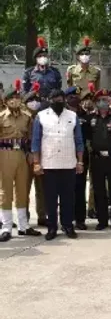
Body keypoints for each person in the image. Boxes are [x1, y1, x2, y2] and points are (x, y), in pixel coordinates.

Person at [31, 89, 85, 240]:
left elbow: (79, 141)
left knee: (68, 197)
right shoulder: (41, 116)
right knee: (50, 199)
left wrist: (80, 161)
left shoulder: (73, 116)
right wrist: (36, 162)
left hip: (69, 163)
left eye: (60, 98)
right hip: (49, 163)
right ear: (49, 100)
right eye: (54, 99)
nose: (58, 101)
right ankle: (52, 227)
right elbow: (36, 141)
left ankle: (68, 225)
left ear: (64, 99)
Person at [0, 81, 41, 241]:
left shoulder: (28, 117)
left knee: (23, 190)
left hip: (23, 155)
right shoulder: (1, 117)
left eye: (17, 97)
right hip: (5, 154)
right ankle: (6, 227)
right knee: (5, 191)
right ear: (6, 101)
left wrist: (32, 154)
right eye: (11, 98)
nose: (15, 100)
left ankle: (24, 225)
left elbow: (31, 137)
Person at [87, 89, 111, 230]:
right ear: (96, 102)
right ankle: (102, 220)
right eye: (100, 100)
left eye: (106, 100)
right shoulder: (91, 119)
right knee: (99, 191)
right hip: (97, 159)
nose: (103, 102)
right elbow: (87, 138)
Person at [64, 86, 92, 231]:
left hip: (82, 156)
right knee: (66, 189)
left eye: (76, 96)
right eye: (71, 96)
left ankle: (80, 219)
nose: (74, 98)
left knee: (80, 188)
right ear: (66, 98)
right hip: (65, 155)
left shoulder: (85, 115)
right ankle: (67, 219)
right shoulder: (62, 114)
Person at [23, 82, 46, 226]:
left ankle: (42, 215)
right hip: (25, 157)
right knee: (24, 189)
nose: (35, 103)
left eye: (37, 100)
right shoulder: (22, 117)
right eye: (31, 100)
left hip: (42, 156)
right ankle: (23, 216)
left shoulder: (43, 116)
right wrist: (27, 153)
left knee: (41, 189)